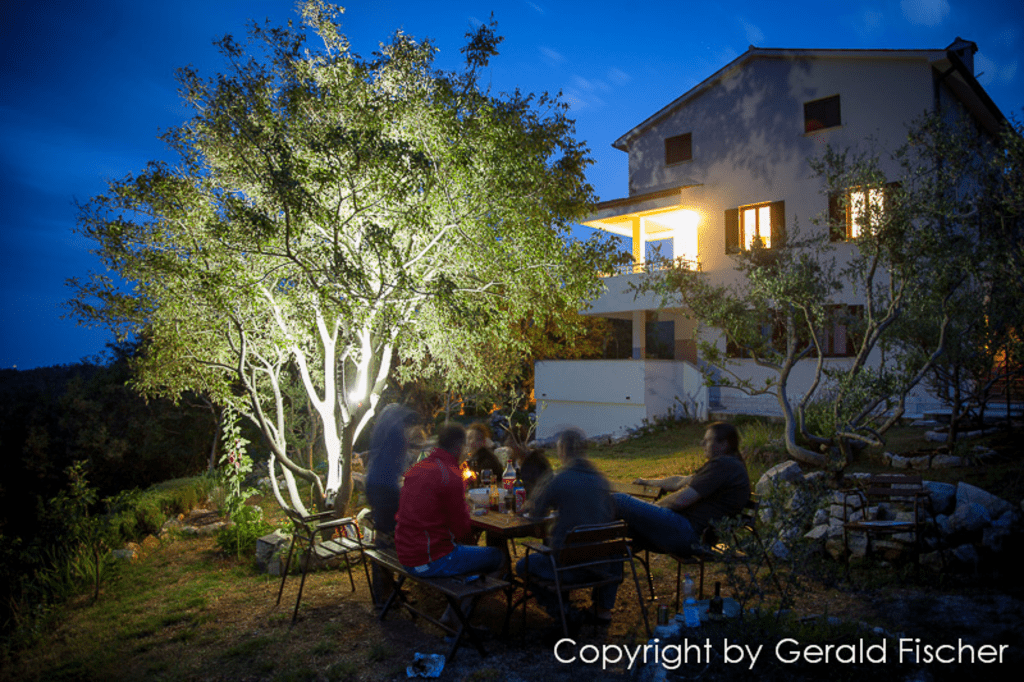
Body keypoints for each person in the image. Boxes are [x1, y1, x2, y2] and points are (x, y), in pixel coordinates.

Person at [516, 428, 619, 625]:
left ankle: (562, 610)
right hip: (601, 564)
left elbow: (536, 515)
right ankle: (594, 611)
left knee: (522, 566)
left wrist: (532, 505)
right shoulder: (602, 480)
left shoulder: (559, 479)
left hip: (568, 567)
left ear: (562, 450)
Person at [614, 422, 750, 556]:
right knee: (614, 529)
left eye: (708, 440)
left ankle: (608, 565)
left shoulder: (723, 465)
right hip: (691, 533)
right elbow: (679, 481)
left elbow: (679, 501)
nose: (702, 444)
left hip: (690, 534)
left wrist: (652, 509)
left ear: (724, 444)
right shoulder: (728, 466)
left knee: (618, 500)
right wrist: (647, 482)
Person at [395, 423, 504, 578]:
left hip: (405, 554)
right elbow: (461, 526)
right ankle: (477, 591)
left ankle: (470, 581)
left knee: (471, 553)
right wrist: (472, 545)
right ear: (459, 446)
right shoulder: (449, 474)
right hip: (430, 560)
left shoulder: (419, 467)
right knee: (497, 556)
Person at [365, 404, 419, 605]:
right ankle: (385, 594)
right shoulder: (396, 433)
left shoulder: (382, 432)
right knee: (388, 542)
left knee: (383, 540)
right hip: (386, 490)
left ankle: (386, 589)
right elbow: (396, 464)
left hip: (375, 486)